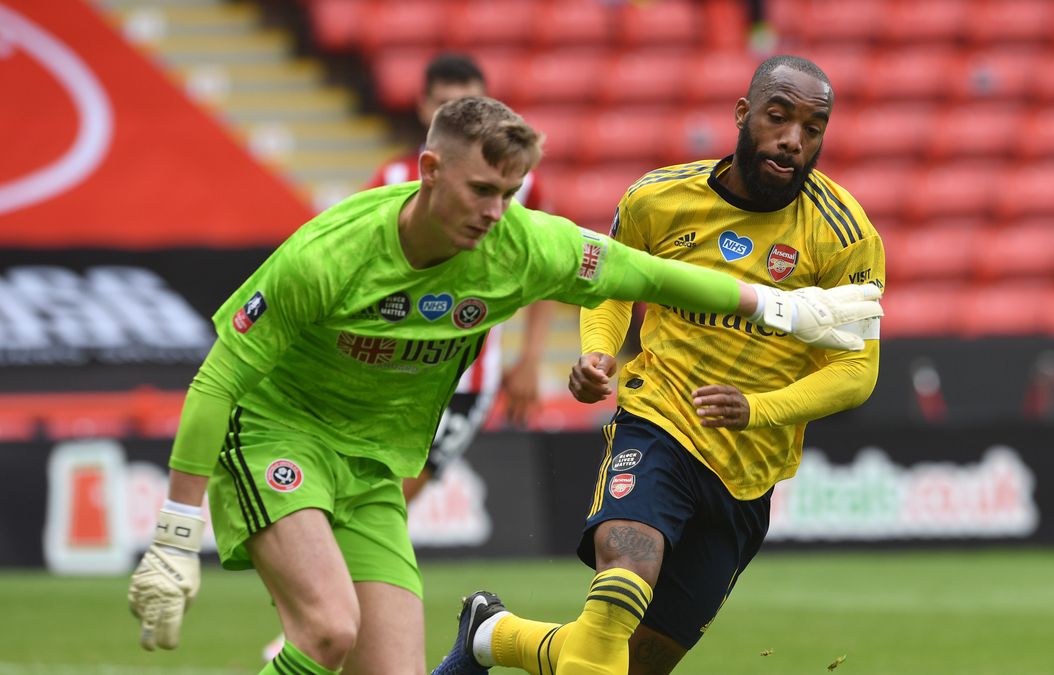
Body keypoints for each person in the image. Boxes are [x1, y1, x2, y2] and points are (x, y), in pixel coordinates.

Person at [125, 95, 882, 675]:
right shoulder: (330, 254)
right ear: (429, 171)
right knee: (327, 630)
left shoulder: (521, 244)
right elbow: (219, 377)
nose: (495, 213)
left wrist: (784, 307)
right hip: (277, 433)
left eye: (510, 193)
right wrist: (172, 536)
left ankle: (486, 638)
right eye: (482, 189)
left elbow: (646, 273)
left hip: (373, 467)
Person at [431, 55, 886, 675]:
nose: (793, 141)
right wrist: (597, 349)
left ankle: (492, 636)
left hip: (747, 473)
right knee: (624, 580)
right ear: (743, 114)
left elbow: (857, 372)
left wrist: (758, 409)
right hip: (658, 423)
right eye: (779, 118)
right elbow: (613, 286)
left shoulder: (845, 237)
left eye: (813, 128)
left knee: (635, 664)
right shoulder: (659, 199)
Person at [367, 52, 554, 501]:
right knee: (370, 498)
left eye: (469, 105)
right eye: (445, 106)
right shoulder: (391, 179)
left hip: (467, 377)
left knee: (390, 498)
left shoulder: (523, 185)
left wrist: (530, 357)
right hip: (396, 367)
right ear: (422, 107)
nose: (458, 118)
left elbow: (548, 268)